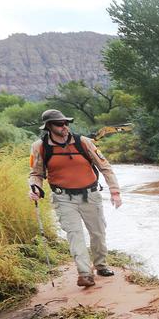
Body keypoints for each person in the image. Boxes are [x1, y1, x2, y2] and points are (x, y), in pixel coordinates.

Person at [27, 109, 123, 287]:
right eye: (59, 124)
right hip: (63, 198)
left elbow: (105, 167)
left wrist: (115, 191)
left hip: (91, 195)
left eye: (66, 123)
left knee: (98, 233)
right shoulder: (39, 146)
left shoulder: (83, 142)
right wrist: (34, 188)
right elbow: (36, 174)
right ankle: (85, 273)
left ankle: (101, 265)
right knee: (75, 235)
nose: (64, 126)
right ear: (49, 126)